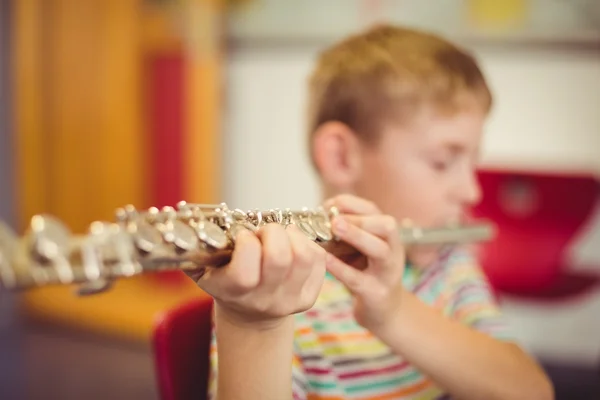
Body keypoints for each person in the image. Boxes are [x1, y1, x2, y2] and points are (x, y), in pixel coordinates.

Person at [187, 24, 554, 400]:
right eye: (444, 162)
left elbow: (532, 391)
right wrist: (255, 325)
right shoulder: (273, 291)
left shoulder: (445, 266)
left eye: (472, 162)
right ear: (342, 156)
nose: (471, 190)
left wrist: (393, 311)